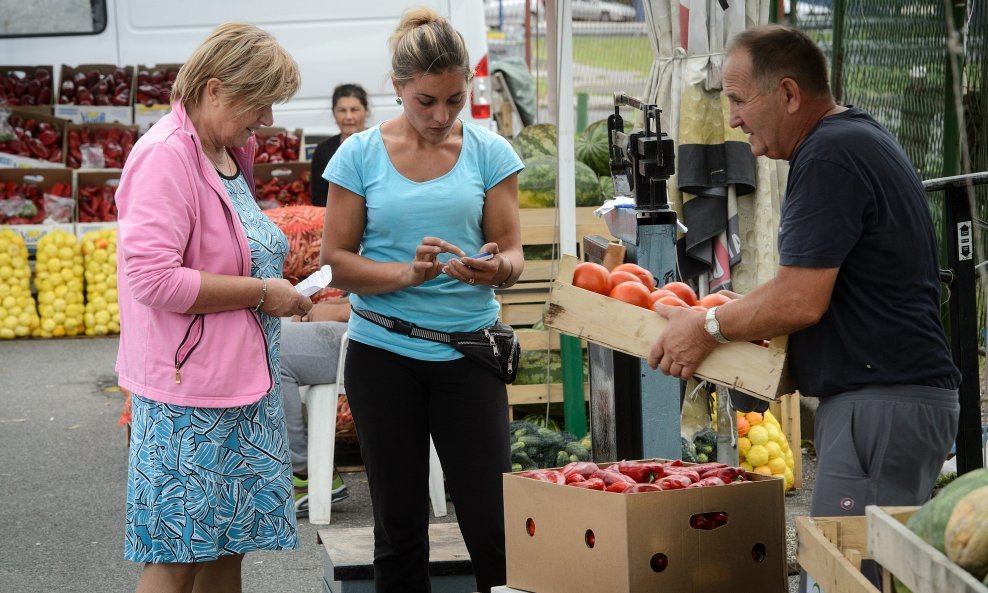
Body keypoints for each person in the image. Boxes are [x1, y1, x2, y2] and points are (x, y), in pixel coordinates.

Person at [646, 25, 960, 590]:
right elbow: (816, 288)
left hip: (880, 405)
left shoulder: (830, 156)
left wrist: (710, 325)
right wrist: (742, 311)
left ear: (789, 94)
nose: (734, 118)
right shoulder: (850, 141)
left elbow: (799, 299)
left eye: (741, 101)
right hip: (887, 402)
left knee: (846, 577)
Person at [319, 7, 524, 592]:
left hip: (470, 356)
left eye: (455, 100)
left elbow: (513, 252)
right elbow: (336, 260)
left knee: (494, 524)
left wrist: (494, 270)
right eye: (425, 101)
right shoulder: (359, 156)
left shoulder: (490, 152)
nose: (441, 115)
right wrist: (407, 276)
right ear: (397, 88)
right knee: (399, 525)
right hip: (383, 356)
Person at [115, 22, 313, 593]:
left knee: (228, 550)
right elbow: (153, 279)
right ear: (215, 89)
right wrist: (260, 293)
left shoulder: (225, 149)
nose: (269, 118)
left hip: (239, 385)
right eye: (262, 102)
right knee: (177, 558)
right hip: (189, 397)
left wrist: (269, 276)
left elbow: (227, 245)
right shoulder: (164, 156)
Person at [280, 298, 353, 514]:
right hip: (363, 320)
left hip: (384, 334)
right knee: (267, 327)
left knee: (271, 349)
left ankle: (302, 475)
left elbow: (410, 299)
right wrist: (316, 309)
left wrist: (339, 311)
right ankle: (314, 474)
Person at [309, 84, 370, 206]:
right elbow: (318, 198)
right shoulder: (323, 151)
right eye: (342, 110)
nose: (348, 117)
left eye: (354, 110)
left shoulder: (380, 146)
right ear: (334, 113)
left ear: (366, 111)